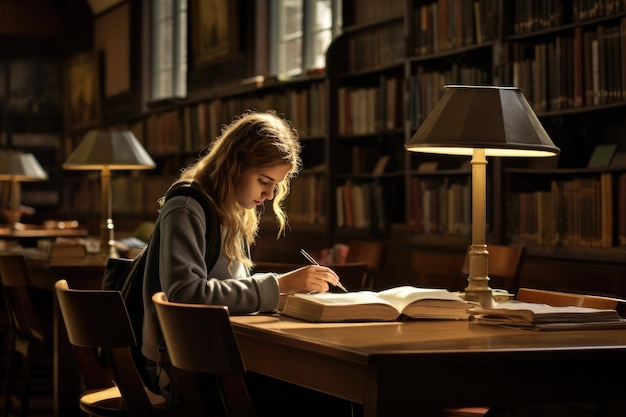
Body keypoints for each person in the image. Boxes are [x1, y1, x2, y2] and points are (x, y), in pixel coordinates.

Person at [141, 110, 357, 416]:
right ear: (234, 164)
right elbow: (185, 294)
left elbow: (229, 290)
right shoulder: (187, 207)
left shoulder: (233, 210)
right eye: (263, 181)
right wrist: (279, 286)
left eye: (276, 186)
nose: (269, 195)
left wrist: (286, 294)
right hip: (185, 372)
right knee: (333, 399)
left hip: (215, 358)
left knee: (338, 390)